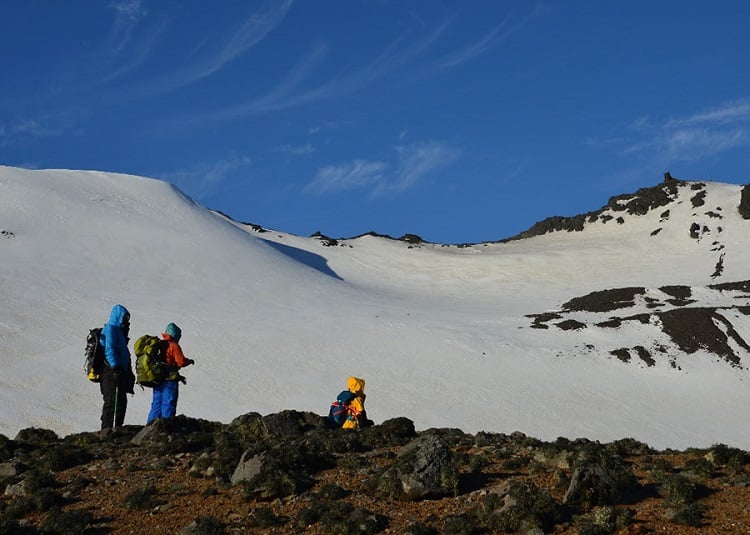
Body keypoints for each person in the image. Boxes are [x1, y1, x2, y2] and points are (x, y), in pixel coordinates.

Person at [146, 322, 194, 425]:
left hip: (158, 378)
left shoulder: (160, 344)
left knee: (156, 404)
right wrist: (189, 361)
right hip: (170, 379)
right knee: (168, 403)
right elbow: (180, 362)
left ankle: (149, 428)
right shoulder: (174, 345)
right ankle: (166, 427)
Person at [99, 304, 134, 433]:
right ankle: (107, 432)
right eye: (125, 318)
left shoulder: (118, 331)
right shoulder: (111, 329)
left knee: (120, 403)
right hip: (111, 372)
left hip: (118, 372)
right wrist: (115, 366)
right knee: (112, 402)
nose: (126, 321)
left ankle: (115, 430)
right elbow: (110, 349)